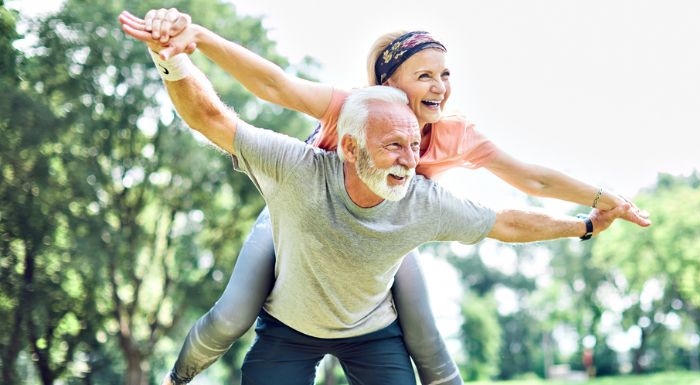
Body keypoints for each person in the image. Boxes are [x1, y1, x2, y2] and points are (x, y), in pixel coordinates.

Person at [118, 9, 651, 385]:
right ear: (388, 81)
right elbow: (275, 87)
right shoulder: (352, 107)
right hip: (302, 220)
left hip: (388, 232)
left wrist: (603, 203)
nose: (440, 86)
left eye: (446, 74)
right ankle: (177, 377)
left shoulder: (452, 133)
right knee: (232, 315)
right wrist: (198, 41)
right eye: (425, 75)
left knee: (428, 341)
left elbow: (529, 183)